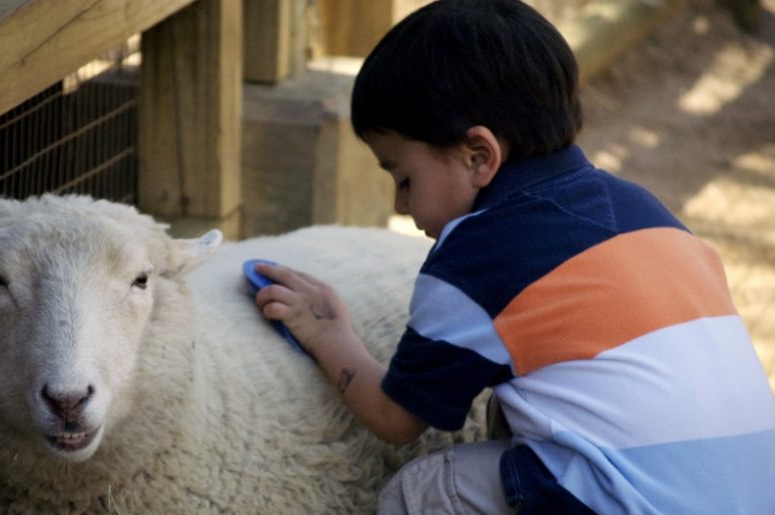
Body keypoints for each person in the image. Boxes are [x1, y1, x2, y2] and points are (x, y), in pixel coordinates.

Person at [253, 0, 775, 513]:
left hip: (631, 501)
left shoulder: (478, 259)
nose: (401, 205)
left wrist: (328, 333)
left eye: (404, 178)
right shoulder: (644, 209)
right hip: (755, 492)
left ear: (478, 156)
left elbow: (395, 418)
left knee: (425, 491)